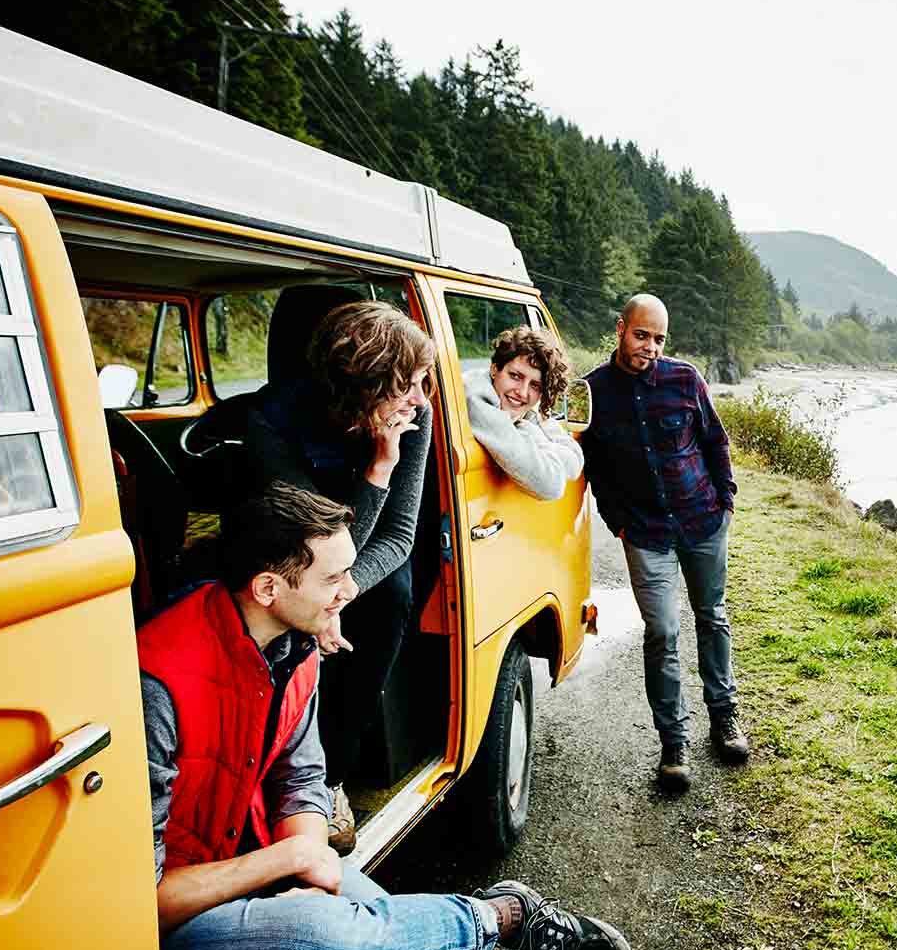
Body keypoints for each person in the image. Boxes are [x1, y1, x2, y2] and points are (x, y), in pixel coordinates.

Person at [141, 483, 633, 950]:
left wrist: (310, 867)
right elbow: (145, 902)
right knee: (330, 941)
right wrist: (289, 858)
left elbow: (299, 774)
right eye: (332, 579)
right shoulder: (158, 684)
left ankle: (488, 922)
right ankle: (502, 918)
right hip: (177, 922)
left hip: (263, 858)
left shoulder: (295, 643)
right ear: (267, 587)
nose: (350, 591)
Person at [225, 299, 435, 852]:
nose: (420, 397)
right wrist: (316, 601)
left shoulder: (416, 414)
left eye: (423, 382)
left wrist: (338, 597)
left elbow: (399, 535)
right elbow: (305, 544)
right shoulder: (272, 421)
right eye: (407, 384)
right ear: (366, 385)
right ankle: (252, 776)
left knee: (393, 596)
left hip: (359, 563)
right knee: (269, 615)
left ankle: (331, 776)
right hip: (290, 553)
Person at [579, 293, 748, 791]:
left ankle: (724, 717)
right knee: (663, 634)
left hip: (702, 521)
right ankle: (674, 743)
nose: (650, 347)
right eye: (641, 335)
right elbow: (592, 470)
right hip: (646, 534)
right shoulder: (593, 392)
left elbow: (715, 441)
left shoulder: (684, 378)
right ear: (620, 328)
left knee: (712, 617)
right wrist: (619, 523)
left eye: (658, 339)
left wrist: (726, 501)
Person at [464, 325, 583, 499]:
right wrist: (528, 429)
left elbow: (575, 462)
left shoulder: (522, 409)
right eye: (515, 376)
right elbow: (551, 486)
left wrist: (535, 429)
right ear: (495, 369)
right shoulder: (477, 399)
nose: (522, 392)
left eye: (535, 385)